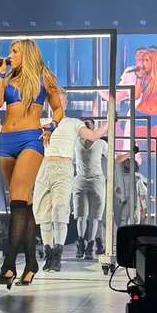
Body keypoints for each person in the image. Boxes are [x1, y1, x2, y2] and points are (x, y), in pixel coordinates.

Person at [0, 39, 63, 288]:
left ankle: (9, 263)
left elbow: (58, 109)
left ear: (27, 54)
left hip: (31, 139)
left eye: (15, 51)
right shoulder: (8, 77)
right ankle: (31, 263)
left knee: (18, 198)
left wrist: (51, 126)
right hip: (6, 141)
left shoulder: (44, 76)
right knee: (21, 202)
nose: (10, 55)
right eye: (10, 51)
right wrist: (0, 75)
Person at [33, 96, 108, 272]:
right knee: (43, 213)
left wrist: (108, 122)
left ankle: (57, 256)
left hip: (63, 166)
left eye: (60, 100)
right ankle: (48, 253)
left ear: (66, 103)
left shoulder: (74, 123)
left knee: (60, 210)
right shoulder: (43, 122)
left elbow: (93, 135)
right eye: (53, 100)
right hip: (45, 166)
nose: (57, 103)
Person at [73, 117, 108, 260]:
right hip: (81, 180)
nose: (86, 125)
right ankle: (81, 242)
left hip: (96, 180)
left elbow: (114, 158)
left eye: (89, 124)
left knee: (95, 216)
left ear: (94, 127)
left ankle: (90, 245)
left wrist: (130, 153)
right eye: (84, 124)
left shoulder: (101, 143)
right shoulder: (76, 142)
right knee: (81, 215)